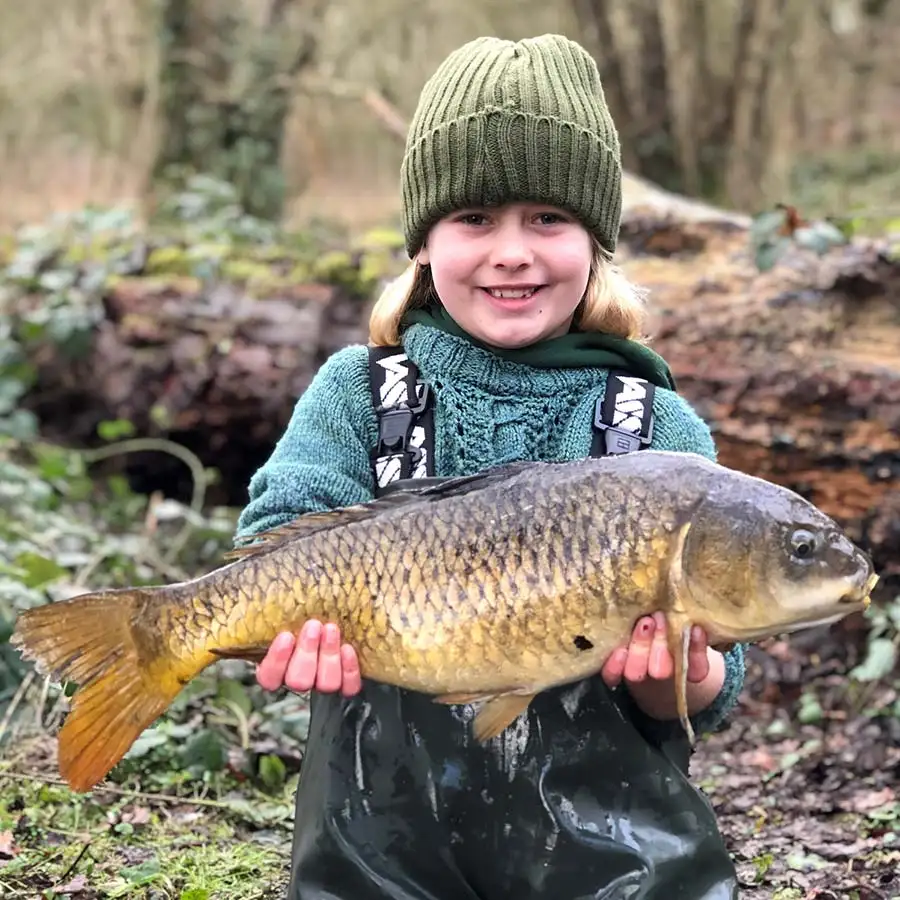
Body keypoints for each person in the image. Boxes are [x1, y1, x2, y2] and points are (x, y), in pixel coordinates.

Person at [234, 33, 745, 900]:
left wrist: (684, 677)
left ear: (596, 241)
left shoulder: (654, 426)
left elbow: (716, 686)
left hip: (608, 851)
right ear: (424, 243)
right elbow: (280, 538)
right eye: (476, 219)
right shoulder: (361, 392)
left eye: (548, 218)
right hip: (380, 841)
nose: (513, 251)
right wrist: (290, 642)